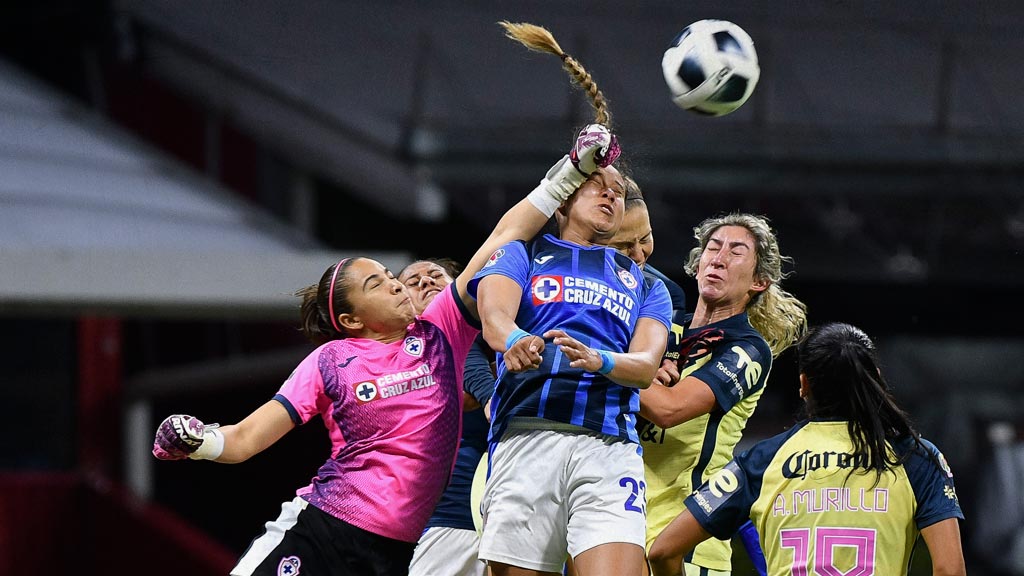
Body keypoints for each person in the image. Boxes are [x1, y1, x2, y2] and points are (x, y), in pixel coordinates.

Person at [150, 120, 622, 576]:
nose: (396, 284)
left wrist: (573, 170)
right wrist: (198, 441)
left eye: (388, 275)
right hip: (322, 531)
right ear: (352, 320)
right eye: (376, 284)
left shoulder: (439, 332)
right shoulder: (330, 361)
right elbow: (244, 440)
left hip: (394, 556)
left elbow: (504, 235)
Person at [471, 21, 674, 576]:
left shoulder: (648, 285)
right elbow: (493, 315)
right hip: (526, 435)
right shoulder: (524, 253)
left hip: (608, 446)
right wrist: (515, 340)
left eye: (618, 193)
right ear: (563, 198)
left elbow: (645, 365)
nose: (610, 195)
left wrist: (598, 359)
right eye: (597, 187)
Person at [647, 322, 967, 576]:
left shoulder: (761, 461)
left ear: (803, 385)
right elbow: (949, 570)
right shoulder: (916, 457)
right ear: (877, 380)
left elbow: (663, 551)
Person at [639, 212, 808, 576]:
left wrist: (607, 365)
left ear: (759, 281)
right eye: (713, 248)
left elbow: (668, 410)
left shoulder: (748, 350)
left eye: (735, 252)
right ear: (697, 263)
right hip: (622, 524)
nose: (718, 258)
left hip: (687, 544)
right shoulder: (662, 327)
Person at [400, 258, 494, 576]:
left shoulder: (494, 341)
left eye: (435, 275)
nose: (426, 282)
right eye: (413, 282)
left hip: (508, 515)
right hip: (449, 520)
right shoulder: (401, 359)